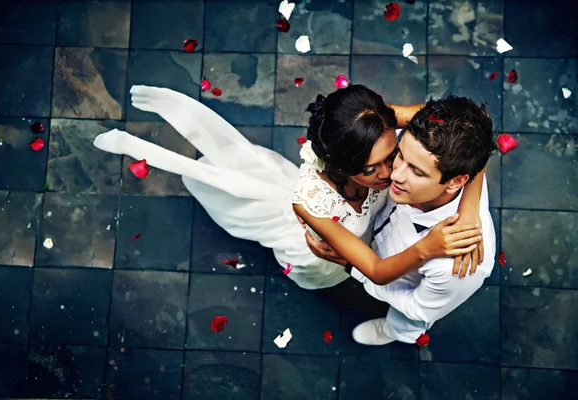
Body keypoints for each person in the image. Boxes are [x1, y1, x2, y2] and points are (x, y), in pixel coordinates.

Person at [92, 85, 483, 290]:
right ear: (339, 165)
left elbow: (471, 132)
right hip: (329, 247)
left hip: (368, 230)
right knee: (324, 270)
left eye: (393, 154)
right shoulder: (310, 205)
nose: (390, 174)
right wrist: (428, 247)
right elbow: (377, 271)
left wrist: (468, 211)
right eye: (370, 169)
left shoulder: (380, 121)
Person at [305, 95, 497, 345]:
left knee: (406, 323)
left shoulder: (458, 265)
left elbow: (418, 308)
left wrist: (352, 266)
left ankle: (394, 333)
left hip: (401, 290)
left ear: (458, 180)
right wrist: (469, 205)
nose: (394, 174)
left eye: (416, 171)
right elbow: (480, 121)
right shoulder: (433, 150)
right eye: (399, 154)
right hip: (379, 245)